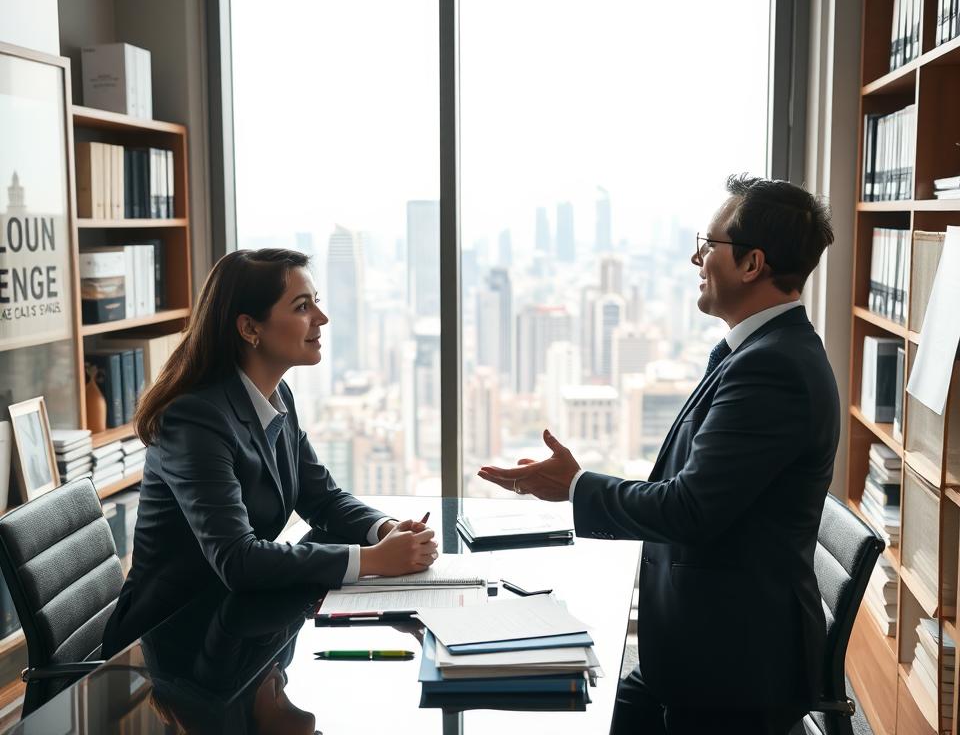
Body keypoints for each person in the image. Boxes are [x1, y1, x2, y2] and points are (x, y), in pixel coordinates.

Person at [479, 175, 839, 734]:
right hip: (700, 640)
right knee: (589, 705)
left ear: (752, 264)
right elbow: (701, 487)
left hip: (733, 667)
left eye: (710, 243)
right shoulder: (753, 351)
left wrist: (575, 485)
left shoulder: (773, 368)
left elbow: (691, 508)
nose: (696, 256)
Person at [102, 249, 437, 656]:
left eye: (317, 302)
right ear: (249, 328)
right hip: (171, 644)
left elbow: (323, 498)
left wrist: (386, 531)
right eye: (302, 306)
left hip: (237, 625)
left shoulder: (276, 396)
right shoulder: (194, 420)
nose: (321, 318)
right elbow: (237, 559)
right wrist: (373, 560)